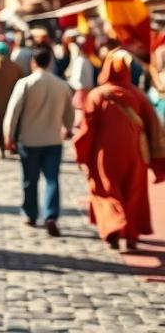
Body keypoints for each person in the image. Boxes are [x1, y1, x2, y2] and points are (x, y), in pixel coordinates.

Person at [72, 50, 165, 251]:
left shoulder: (96, 95)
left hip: (104, 154)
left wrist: (81, 153)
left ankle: (114, 227)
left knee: (106, 189)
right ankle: (131, 235)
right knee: (134, 193)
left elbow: (88, 129)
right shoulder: (138, 95)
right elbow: (154, 125)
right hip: (136, 153)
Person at [2, 48, 74, 236]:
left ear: (33, 62)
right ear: (50, 61)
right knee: (52, 179)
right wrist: (67, 128)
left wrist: (8, 137)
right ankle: (51, 215)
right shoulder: (61, 85)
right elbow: (70, 113)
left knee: (30, 179)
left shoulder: (25, 83)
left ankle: (31, 213)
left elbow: (13, 113)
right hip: (52, 140)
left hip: (29, 140)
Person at [65, 37, 96, 130]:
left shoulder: (80, 61)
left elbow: (77, 80)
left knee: (79, 115)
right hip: (85, 91)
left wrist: (70, 82)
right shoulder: (86, 60)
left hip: (80, 91)